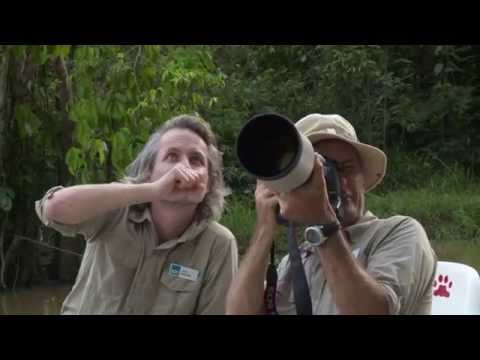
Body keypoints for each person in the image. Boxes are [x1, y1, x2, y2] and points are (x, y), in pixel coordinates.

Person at [226, 113, 437, 315]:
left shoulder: (399, 232)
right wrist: (265, 228)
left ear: (363, 178)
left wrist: (323, 223)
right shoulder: (297, 259)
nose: (339, 182)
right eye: (322, 171)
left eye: (346, 168)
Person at [35, 114, 238, 314]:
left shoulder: (219, 244)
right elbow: (54, 208)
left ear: (209, 182)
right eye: (172, 156)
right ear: (150, 171)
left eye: (196, 160)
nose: (184, 167)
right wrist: (153, 190)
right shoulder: (115, 207)